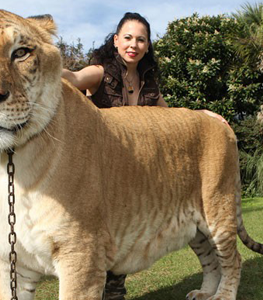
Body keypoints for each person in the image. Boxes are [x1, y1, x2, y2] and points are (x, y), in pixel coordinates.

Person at [61, 12, 227, 300]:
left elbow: (169, 117)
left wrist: (201, 115)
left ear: (148, 45)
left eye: (141, 39)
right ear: (115, 40)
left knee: (120, 235)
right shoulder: (100, 73)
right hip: (98, 171)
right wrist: (45, 69)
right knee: (96, 238)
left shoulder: (149, 83)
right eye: (127, 38)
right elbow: (72, 78)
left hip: (133, 172)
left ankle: (113, 292)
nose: (133, 45)